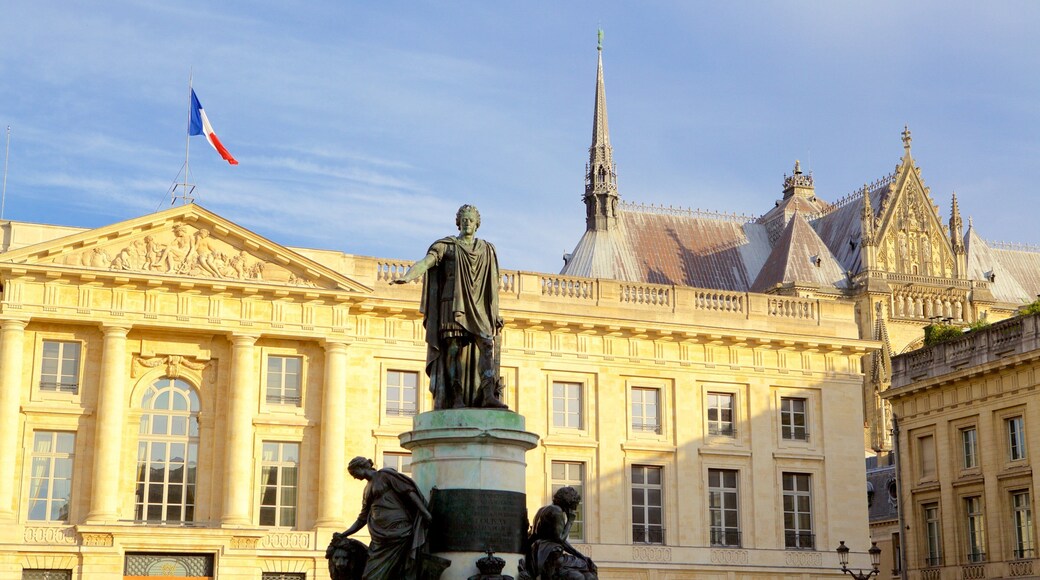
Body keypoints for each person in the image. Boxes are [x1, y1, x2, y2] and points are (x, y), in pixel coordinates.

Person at [392, 205, 507, 409]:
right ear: (458, 222)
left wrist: (495, 312)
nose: (467, 222)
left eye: (470, 219)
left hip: (479, 305)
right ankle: (456, 396)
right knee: (453, 350)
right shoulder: (447, 246)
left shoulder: (487, 249)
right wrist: (408, 276)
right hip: (452, 304)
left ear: (477, 223)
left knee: (487, 346)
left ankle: (488, 393)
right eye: (463, 219)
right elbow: (426, 262)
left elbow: (493, 284)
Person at [340, 457, 432, 580]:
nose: (354, 477)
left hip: (399, 530)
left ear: (361, 467)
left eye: (354, 473)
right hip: (381, 537)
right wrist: (344, 534)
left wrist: (424, 512)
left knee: (376, 575)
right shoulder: (366, 489)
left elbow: (408, 492)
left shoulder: (384, 475)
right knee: (372, 575)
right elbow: (362, 518)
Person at [521, 487, 598, 579]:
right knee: (585, 567)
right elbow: (560, 539)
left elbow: (555, 539)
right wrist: (570, 521)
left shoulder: (543, 509)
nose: (575, 509)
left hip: (541, 553)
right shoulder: (557, 511)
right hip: (549, 555)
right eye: (575, 505)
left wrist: (581, 556)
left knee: (586, 568)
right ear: (569, 502)